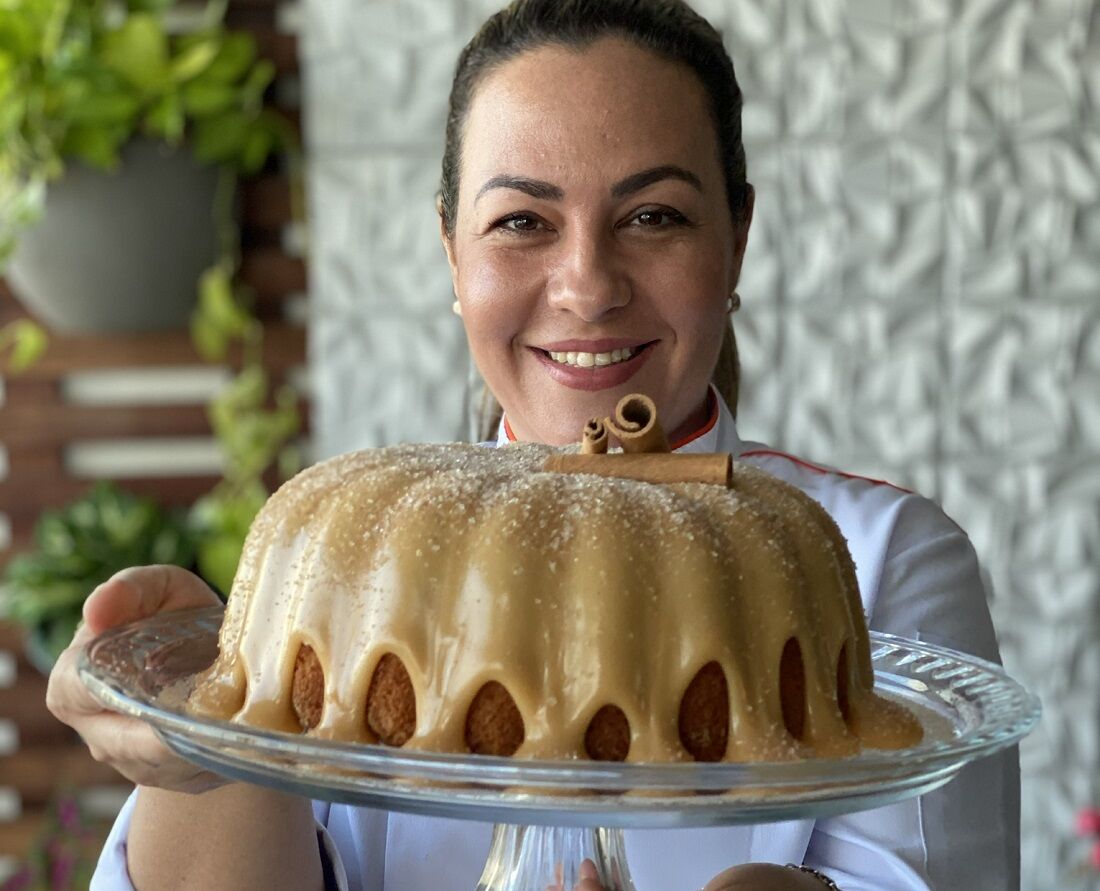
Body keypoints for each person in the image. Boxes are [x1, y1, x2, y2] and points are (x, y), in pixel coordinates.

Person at [46, 1, 1019, 889]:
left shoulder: (873, 556)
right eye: (520, 221)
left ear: (736, 236)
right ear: (451, 254)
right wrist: (216, 717)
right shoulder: (353, 555)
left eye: (653, 216)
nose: (586, 284)